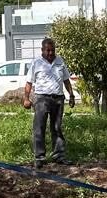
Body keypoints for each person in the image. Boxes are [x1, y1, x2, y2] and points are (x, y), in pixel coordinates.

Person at [23, 38, 75, 167]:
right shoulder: (36, 63)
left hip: (58, 99)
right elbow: (29, 82)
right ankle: (39, 157)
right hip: (41, 98)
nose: (51, 53)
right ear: (42, 50)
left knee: (57, 128)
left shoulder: (60, 61)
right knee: (39, 128)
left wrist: (71, 95)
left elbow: (66, 80)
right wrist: (26, 98)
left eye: (52, 50)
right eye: (48, 50)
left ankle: (59, 156)